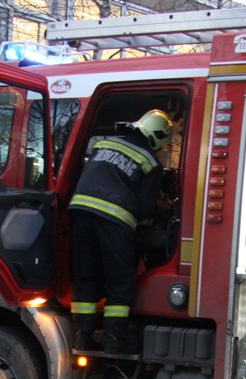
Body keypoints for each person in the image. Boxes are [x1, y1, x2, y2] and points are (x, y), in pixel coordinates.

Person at [69, 110, 174, 354]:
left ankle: (82, 336)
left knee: (86, 276)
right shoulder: (150, 161)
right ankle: (116, 339)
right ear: (157, 137)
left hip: (80, 213)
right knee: (120, 279)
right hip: (114, 220)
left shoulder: (104, 144)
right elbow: (145, 209)